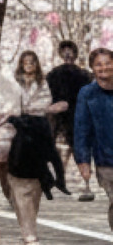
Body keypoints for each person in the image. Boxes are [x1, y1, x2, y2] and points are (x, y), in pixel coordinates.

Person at [0, 49, 62, 245]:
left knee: (24, 195)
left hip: (15, 150)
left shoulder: (14, 84)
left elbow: (34, 111)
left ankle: (30, 239)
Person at [71, 47, 113, 231]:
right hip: (106, 160)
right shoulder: (87, 94)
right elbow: (81, 129)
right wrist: (83, 160)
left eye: (108, 63)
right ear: (92, 69)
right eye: (98, 65)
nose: (104, 67)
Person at [47, 40, 94, 202]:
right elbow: (47, 97)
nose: (67, 54)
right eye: (64, 51)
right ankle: (59, 183)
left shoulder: (84, 75)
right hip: (58, 120)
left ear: (75, 54)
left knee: (81, 153)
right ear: (61, 53)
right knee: (59, 154)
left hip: (78, 120)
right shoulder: (53, 75)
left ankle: (85, 185)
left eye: (70, 51)